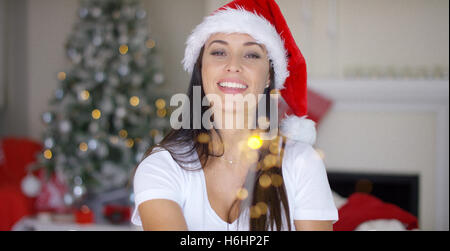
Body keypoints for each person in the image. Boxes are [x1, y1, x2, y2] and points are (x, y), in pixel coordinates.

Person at [131, 0, 338, 231]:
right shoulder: (162, 166)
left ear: (269, 76)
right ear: (201, 68)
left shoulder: (302, 162)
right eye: (219, 52)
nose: (233, 65)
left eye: (251, 55)